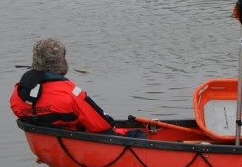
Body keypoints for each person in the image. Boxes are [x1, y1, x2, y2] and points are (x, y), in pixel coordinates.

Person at [10, 38, 145, 138]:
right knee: (139, 135)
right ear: (61, 62)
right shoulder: (70, 93)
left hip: (50, 143)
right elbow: (101, 125)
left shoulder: (18, 94)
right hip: (79, 145)